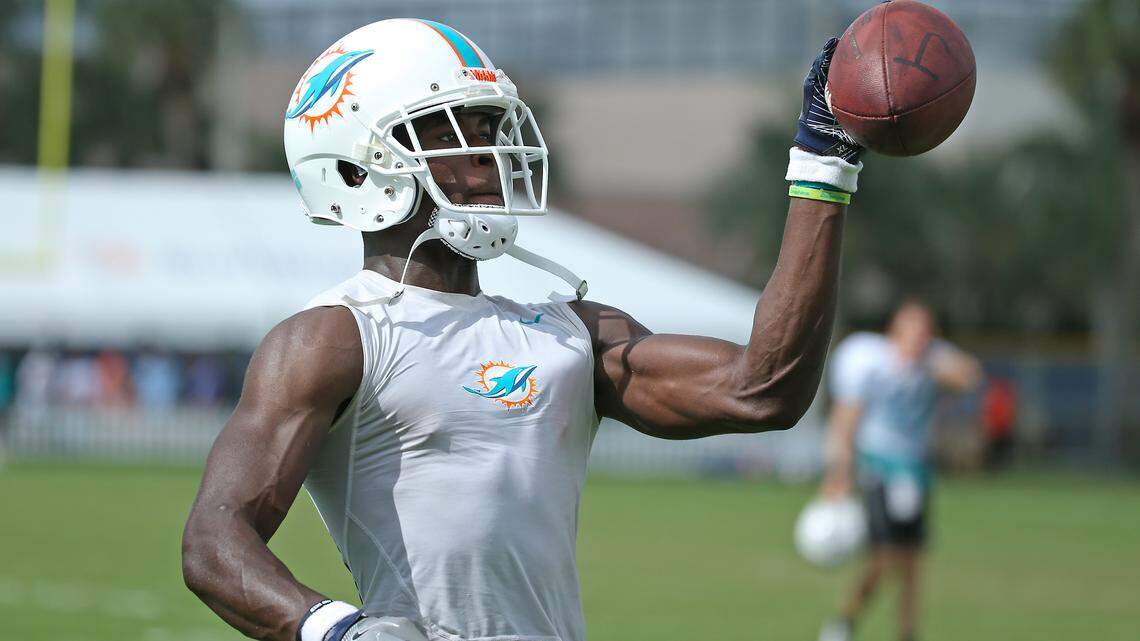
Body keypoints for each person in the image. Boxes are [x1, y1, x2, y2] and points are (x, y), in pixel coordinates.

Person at [182, 19, 869, 641]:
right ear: (358, 166)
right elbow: (214, 540)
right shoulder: (334, 336)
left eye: (488, 129)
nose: (486, 154)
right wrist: (333, 629)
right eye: (451, 130)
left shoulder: (569, 330)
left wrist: (822, 159)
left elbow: (765, 388)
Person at [818, 301, 983, 641]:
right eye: (913, 330)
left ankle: (907, 633)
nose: (919, 338)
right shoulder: (873, 362)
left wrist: (931, 367)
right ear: (895, 332)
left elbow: (970, 376)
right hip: (878, 466)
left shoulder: (932, 359)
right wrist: (839, 471)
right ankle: (845, 621)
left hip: (914, 470)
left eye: (925, 331)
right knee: (881, 559)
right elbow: (846, 418)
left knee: (911, 564)